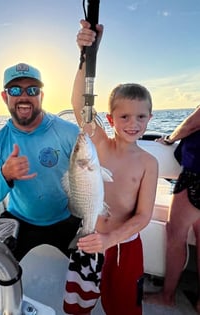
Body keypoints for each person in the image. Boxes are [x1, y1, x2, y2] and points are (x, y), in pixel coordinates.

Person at [63, 20, 158, 315]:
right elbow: (80, 104)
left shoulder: (148, 163)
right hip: (89, 239)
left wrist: (110, 239)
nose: (133, 124)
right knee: (78, 303)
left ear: (150, 118)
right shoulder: (99, 145)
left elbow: (143, 216)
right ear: (110, 118)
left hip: (124, 247)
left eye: (141, 117)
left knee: (124, 308)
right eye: (125, 116)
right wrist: (86, 55)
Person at [0, 62, 81, 261]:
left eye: (32, 89)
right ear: (4, 96)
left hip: (66, 219)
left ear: (41, 96)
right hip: (19, 222)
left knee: (84, 277)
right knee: (0, 274)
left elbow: (93, 173)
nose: (24, 96)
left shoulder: (69, 133)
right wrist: (5, 174)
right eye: (15, 90)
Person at [144, 105, 200, 313]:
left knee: (175, 234)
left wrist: (170, 138)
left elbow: (192, 123)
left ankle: (167, 296)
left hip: (196, 174)